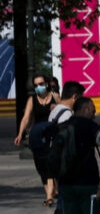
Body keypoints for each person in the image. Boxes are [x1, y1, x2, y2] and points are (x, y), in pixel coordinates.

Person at [58, 97, 100, 214]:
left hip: (66, 183)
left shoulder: (63, 126)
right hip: (87, 183)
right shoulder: (89, 124)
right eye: (93, 111)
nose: (94, 115)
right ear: (86, 109)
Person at [15, 73, 60, 205]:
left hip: (52, 136)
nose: (38, 87)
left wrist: (56, 108)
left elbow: (64, 111)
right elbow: (26, 118)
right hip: (37, 137)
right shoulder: (32, 100)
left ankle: (49, 197)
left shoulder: (55, 97)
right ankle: (51, 192)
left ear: (46, 84)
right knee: (41, 167)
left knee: (50, 165)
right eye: (35, 85)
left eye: (40, 84)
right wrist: (20, 134)